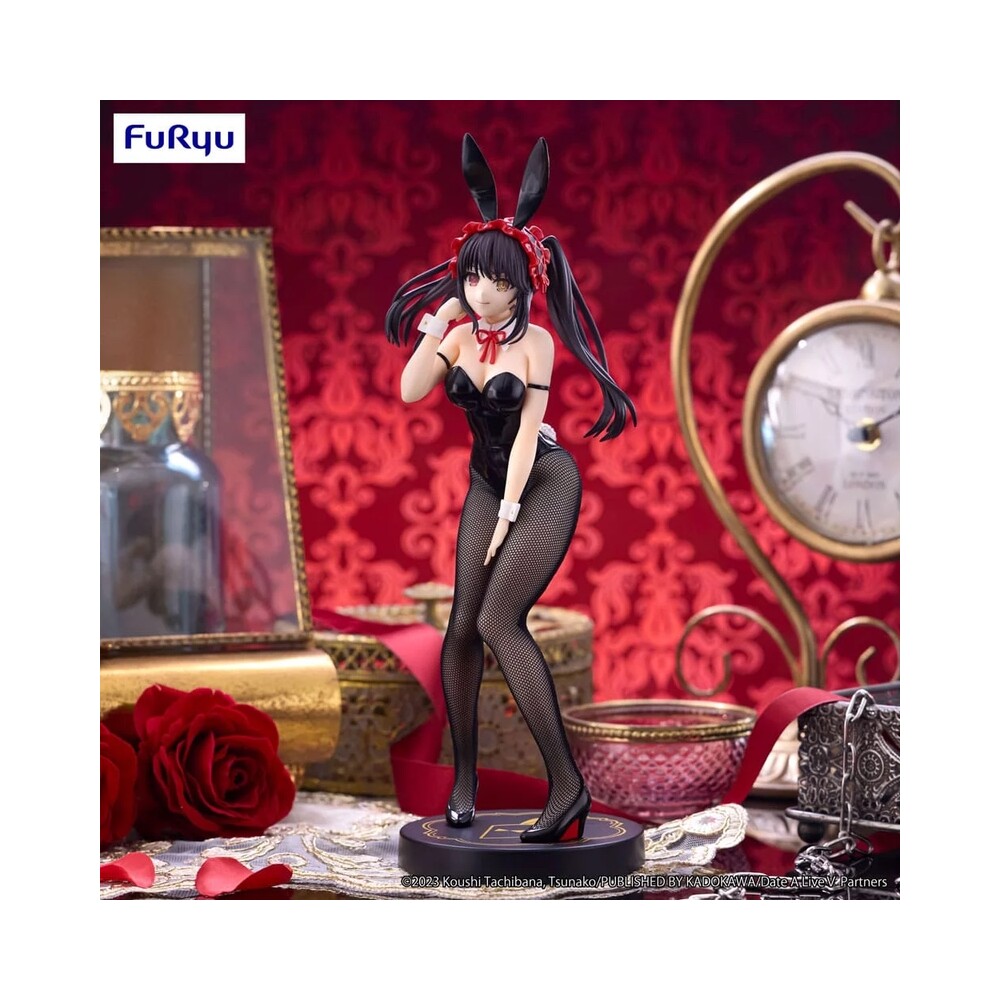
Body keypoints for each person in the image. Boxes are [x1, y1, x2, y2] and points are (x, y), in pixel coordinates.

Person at [385, 134, 636, 843]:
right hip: (484, 482)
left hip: (543, 482)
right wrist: (437, 324)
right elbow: (409, 391)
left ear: (523, 282)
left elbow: (527, 435)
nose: (481, 293)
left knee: (499, 620)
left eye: (495, 281)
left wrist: (509, 514)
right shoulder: (460, 334)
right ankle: (463, 781)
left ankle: (568, 787)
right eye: (471, 279)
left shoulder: (537, 344)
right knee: (460, 627)